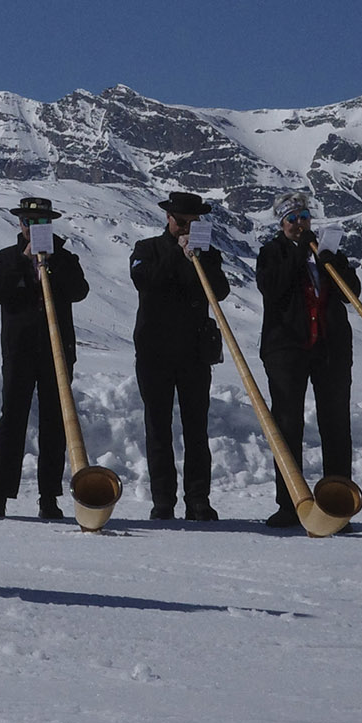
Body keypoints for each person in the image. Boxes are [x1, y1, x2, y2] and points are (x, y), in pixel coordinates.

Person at [256, 192, 359, 530]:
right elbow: (272, 289)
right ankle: (290, 503)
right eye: (292, 219)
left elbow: (351, 292)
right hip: (287, 348)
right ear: (281, 223)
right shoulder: (272, 253)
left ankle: (337, 503)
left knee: (336, 425)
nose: (300, 224)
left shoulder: (326, 254)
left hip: (330, 349)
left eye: (304, 217)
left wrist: (335, 262)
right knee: (287, 426)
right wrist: (301, 253)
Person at [0, 195, 88, 521]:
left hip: (57, 352)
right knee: (11, 421)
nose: (34, 227)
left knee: (55, 423)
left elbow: (80, 291)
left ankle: (49, 496)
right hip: (19, 350)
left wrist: (51, 266)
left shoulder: (66, 258)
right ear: (20, 224)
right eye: (29, 222)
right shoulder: (5, 258)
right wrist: (24, 263)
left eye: (41, 222)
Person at [130, 190, 230, 521]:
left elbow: (220, 291)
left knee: (196, 428)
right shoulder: (147, 249)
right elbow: (145, 281)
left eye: (194, 222)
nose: (187, 227)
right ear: (168, 219)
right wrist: (177, 254)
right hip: (154, 352)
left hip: (193, 353)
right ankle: (163, 500)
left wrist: (198, 258)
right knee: (158, 427)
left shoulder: (207, 254)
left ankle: (198, 498)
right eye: (182, 221)